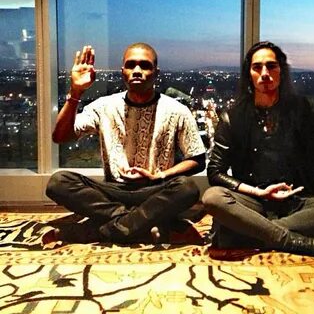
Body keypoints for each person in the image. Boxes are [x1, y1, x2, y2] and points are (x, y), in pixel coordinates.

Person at [202, 35, 314, 269]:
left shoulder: (304, 109)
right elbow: (215, 173)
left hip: (299, 202)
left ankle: (249, 232)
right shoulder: (233, 117)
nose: (265, 73)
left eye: (271, 66)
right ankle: (304, 242)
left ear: (281, 71)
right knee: (213, 198)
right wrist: (259, 194)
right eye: (257, 67)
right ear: (249, 74)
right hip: (254, 202)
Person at [45, 43, 206, 244]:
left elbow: (198, 159)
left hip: (156, 189)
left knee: (187, 188)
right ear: (123, 72)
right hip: (113, 191)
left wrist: (160, 176)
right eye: (131, 65)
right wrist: (75, 92)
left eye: (144, 66)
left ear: (156, 72)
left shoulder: (176, 110)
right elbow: (61, 136)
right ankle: (140, 222)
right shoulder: (104, 106)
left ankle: (98, 230)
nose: (137, 71)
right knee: (58, 182)